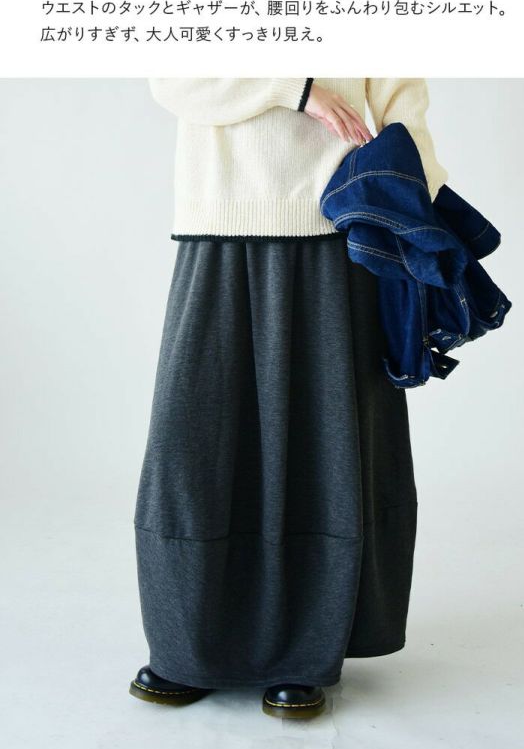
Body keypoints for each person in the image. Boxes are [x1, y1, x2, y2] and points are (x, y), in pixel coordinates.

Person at [129, 78, 449, 718]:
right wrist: (295, 90)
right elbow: (174, 77)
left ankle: (304, 656)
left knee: (323, 452)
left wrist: (428, 209)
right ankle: (189, 645)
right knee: (195, 448)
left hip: (336, 223)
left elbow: (399, 99)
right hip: (219, 220)